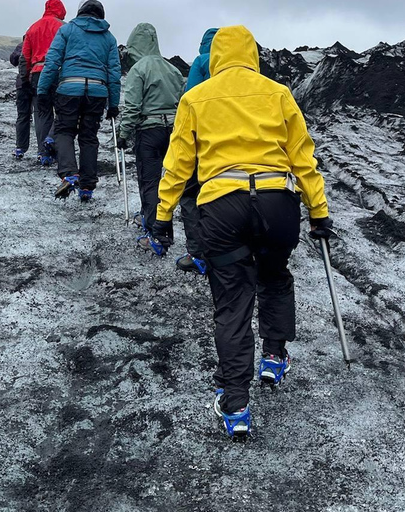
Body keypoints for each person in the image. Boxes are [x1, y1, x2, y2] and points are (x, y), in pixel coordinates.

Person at [146, 26, 334, 438]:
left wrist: (162, 215)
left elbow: (178, 162)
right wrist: (318, 211)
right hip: (276, 203)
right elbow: (303, 157)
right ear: (253, 54)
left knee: (232, 302)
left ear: (214, 57)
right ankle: (274, 357)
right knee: (274, 276)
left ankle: (236, 405)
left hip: (221, 205)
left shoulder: (195, 97)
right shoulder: (278, 93)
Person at [37, 0, 121, 202]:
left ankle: (69, 173)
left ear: (80, 11)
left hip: (69, 88)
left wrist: (42, 91)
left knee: (64, 131)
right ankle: (87, 187)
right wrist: (113, 104)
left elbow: (52, 62)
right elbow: (114, 72)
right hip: (97, 92)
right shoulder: (109, 38)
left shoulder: (67, 31)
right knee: (89, 137)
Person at [116, 23, 183, 245]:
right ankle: (159, 224)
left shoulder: (139, 69)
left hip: (149, 131)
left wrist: (123, 134)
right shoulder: (172, 69)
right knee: (168, 181)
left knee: (150, 181)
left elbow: (133, 107)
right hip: (172, 130)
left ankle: (156, 233)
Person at [175, 27, 218, 275]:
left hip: (201, 141)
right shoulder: (243, 71)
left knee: (191, 195)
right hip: (231, 147)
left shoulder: (201, 61)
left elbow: (188, 99)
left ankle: (198, 254)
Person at [18, 0, 67, 165]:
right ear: (61, 11)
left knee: (41, 113)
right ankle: (52, 141)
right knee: (63, 111)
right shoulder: (63, 27)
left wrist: (24, 79)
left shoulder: (33, 27)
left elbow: (25, 57)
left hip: (37, 75)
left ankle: (42, 153)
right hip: (59, 73)